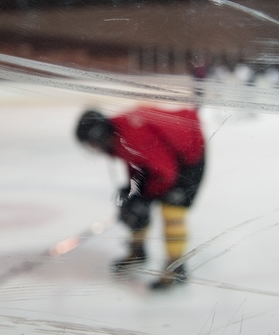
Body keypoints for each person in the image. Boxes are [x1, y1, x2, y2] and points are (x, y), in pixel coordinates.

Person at [75, 106, 206, 290]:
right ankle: (138, 251)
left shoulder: (132, 136)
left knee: (172, 210)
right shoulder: (118, 135)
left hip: (188, 156)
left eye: (92, 144)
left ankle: (176, 267)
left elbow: (166, 174)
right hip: (164, 157)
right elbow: (136, 162)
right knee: (133, 204)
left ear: (99, 135)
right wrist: (135, 193)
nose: (94, 148)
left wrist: (146, 197)